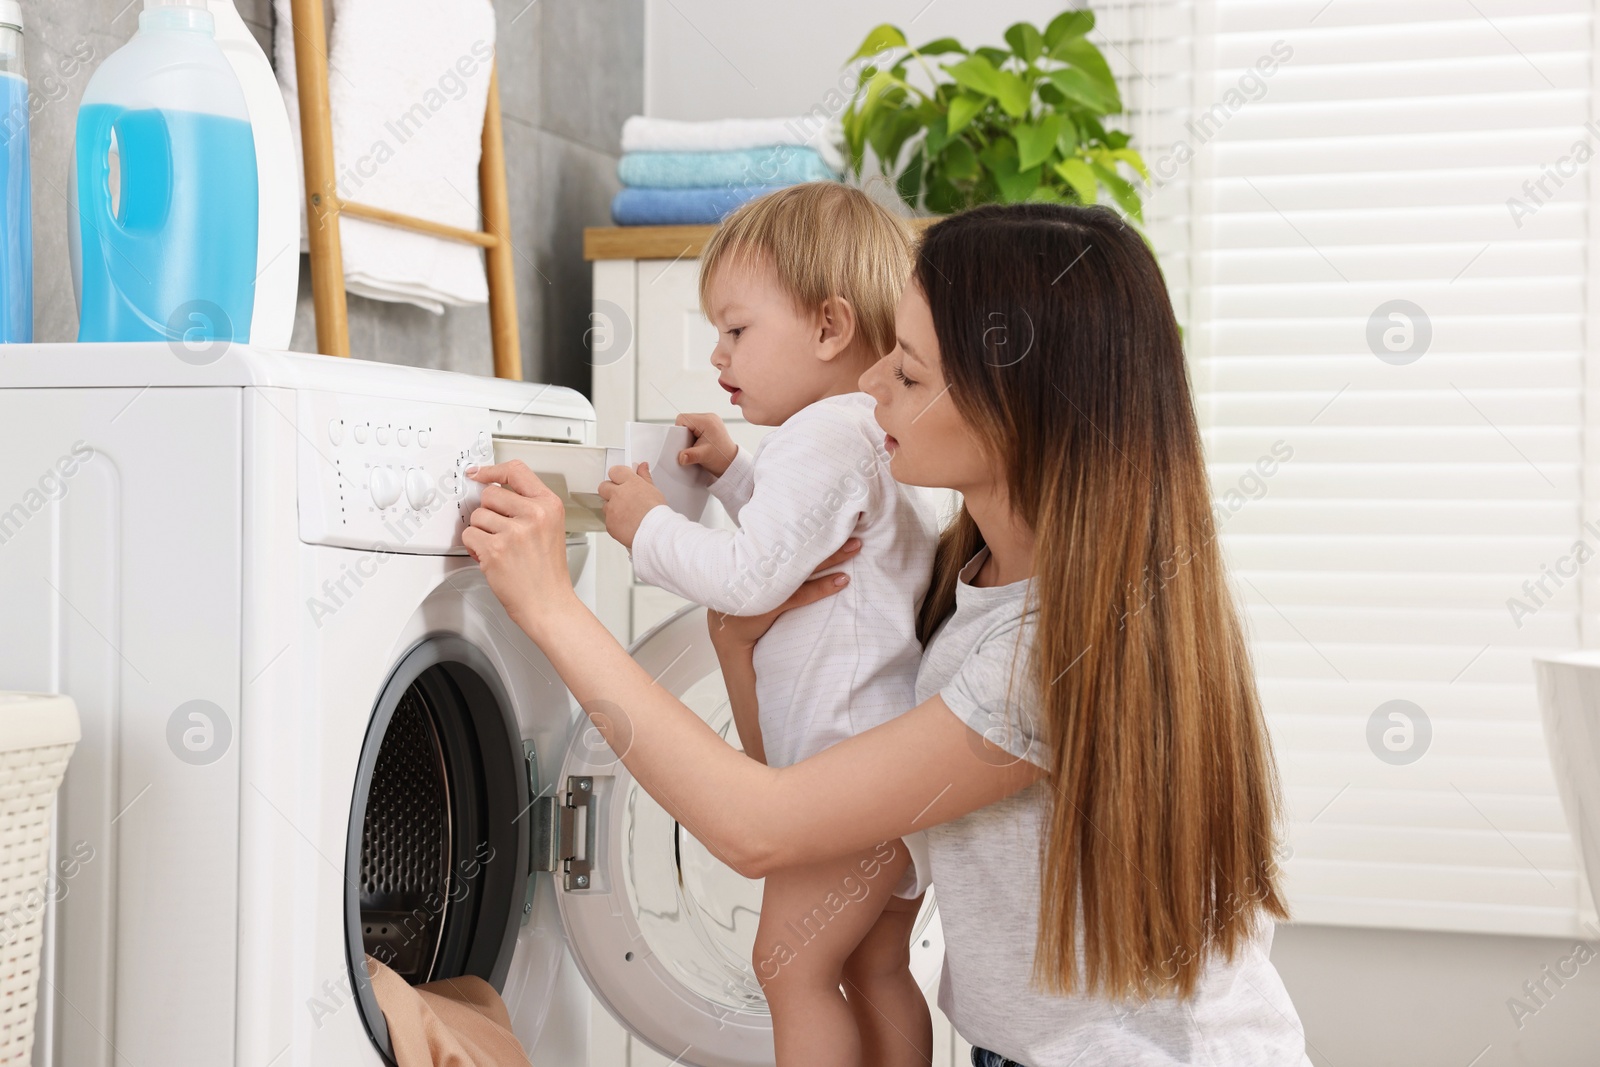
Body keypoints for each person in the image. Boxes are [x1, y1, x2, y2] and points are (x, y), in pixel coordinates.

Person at [464, 202, 1313, 1066]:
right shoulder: (970, 573)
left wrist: (552, 608)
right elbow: (810, 782)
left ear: (1011, 408)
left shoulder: (1043, 653)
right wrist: (738, 648)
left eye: (905, 372)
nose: (868, 388)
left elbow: (758, 826)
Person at [597, 182, 941, 1066]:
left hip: (842, 770)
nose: (718, 352)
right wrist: (733, 477)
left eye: (738, 330)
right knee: (874, 968)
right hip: (885, 769)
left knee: (786, 965)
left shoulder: (826, 435)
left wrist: (648, 524)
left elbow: (751, 578)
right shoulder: (864, 428)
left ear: (829, 328)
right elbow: (807, 538)